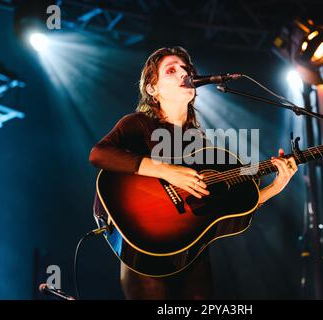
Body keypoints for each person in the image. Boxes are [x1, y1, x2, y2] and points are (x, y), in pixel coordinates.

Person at [89, 46, 298, 300]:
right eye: (172, 70)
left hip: (190, 250)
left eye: (186, 69)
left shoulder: (199, 142)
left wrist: (275, 187)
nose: (184, 74)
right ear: (152, 89)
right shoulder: (138, 124)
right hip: (145, 243)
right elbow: (99, 154)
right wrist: (167, 171)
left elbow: (227, 205)